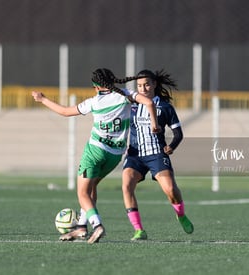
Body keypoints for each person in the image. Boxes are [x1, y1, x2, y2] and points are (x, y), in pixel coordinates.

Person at [32, 68, 159, 243]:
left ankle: (97, 225)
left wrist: (42, 99)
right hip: (114, 156)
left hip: (95, 151)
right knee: (91, 188)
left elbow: (65, 112)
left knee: (82, 193)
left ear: (97, 86)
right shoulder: (126, 95)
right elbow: (149, 103)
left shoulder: (94, 102)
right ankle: (82, 229)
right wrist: (154, 123)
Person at [122, 69, 194, 241]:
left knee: (170, 189)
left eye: (146, 84)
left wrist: (172, 146)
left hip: (156, 154)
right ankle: (139, 230)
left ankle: (181, 215)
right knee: (126, 186)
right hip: (135, 155)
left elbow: (178, 134)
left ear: (154, 84)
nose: (143, 88)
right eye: (139, 85)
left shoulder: (165, 107)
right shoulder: (131, 103)